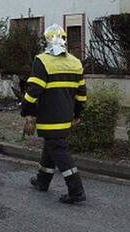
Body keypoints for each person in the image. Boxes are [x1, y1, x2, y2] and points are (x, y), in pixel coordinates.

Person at [21, 24, 88, 204]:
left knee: (59, 151)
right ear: (64, 39)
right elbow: (82, 94)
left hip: (49, 118)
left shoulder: (42, 61)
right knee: (51, 147)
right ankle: (42, 181)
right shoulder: (75, 62)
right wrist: (77, 115)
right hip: (66, 117)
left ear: (46, 39)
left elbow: (34, 90)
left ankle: (76, 191)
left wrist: (27, 111)